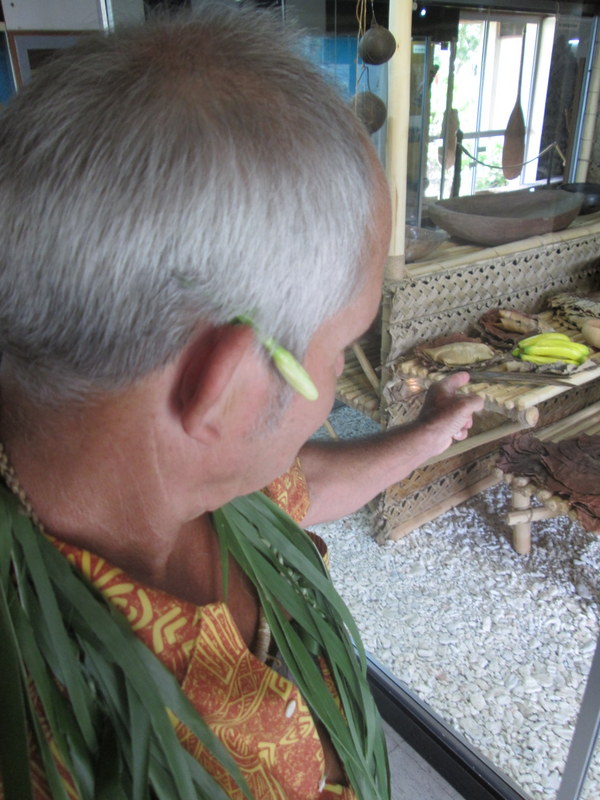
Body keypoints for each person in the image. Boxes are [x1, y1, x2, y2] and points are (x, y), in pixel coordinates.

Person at [0, 5, 482, 800]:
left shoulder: (161, 464)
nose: (338, 380)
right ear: (222, 388)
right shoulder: (44, 741)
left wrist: (427, 437)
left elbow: (296, 489)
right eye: (343, 348)